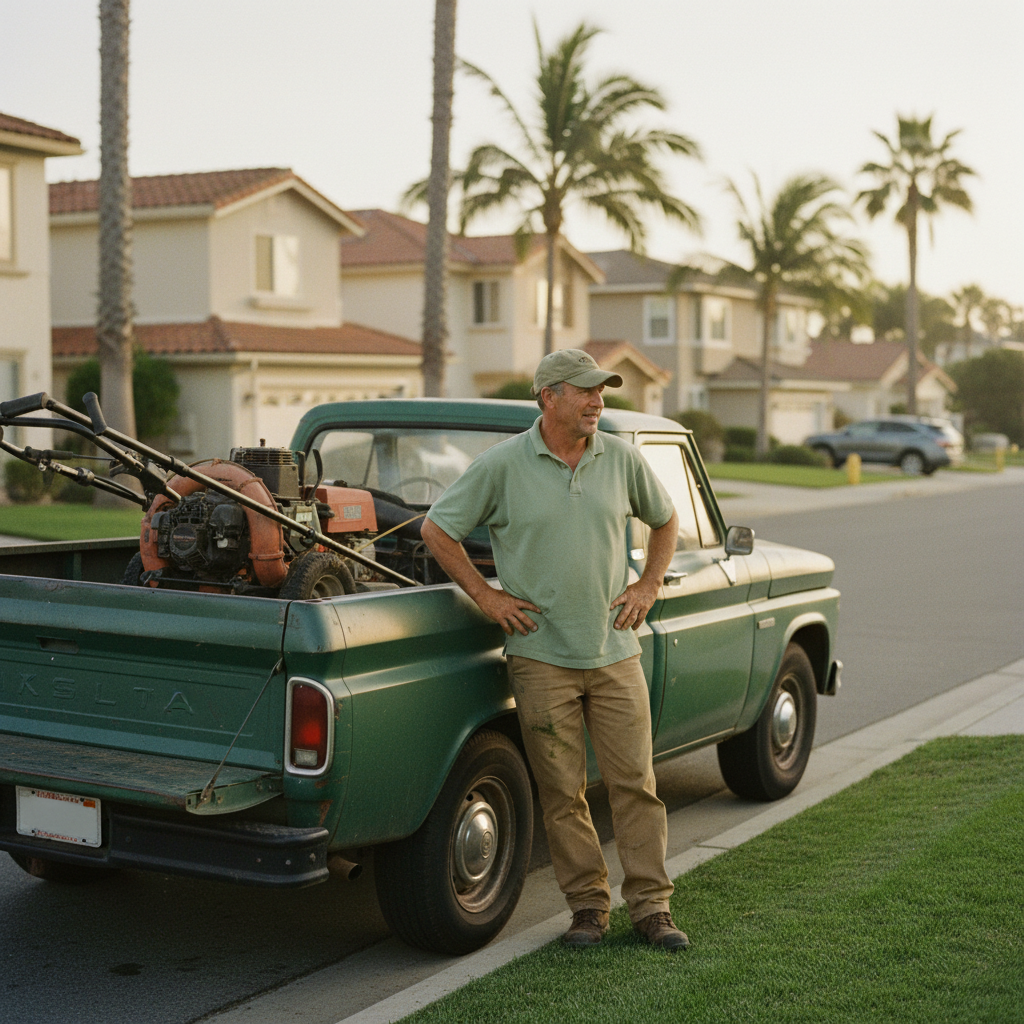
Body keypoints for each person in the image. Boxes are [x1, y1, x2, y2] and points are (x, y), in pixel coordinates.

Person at [421, 349, 689, 951]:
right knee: (563, 794)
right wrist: (488, 599)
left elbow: (666, 521)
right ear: (549, 397)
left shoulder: (621, 458)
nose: (598, 401)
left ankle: (652, 908)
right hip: (541, 660)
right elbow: (437, 529)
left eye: (602, 391)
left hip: (615, 652)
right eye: (585, 390)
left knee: (636, 785)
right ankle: (589, 909)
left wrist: (648, 583)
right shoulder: (503, 465)